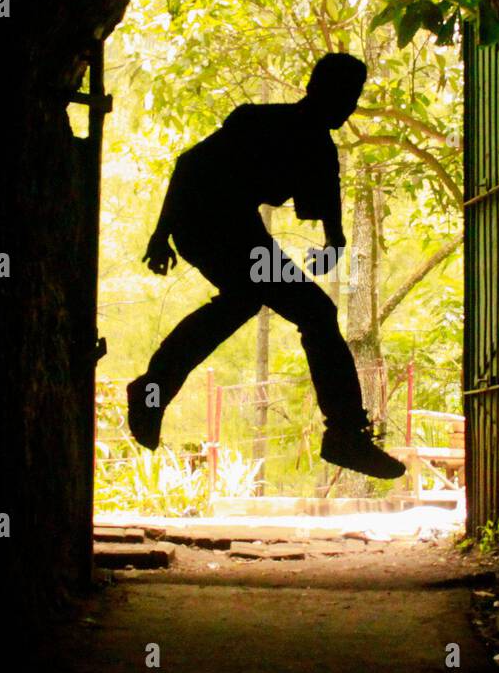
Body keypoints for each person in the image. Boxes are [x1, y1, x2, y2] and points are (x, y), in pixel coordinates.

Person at [127, 52, 405, 479]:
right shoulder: (259, 122)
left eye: (355, 97)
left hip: (240, 228)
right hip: (202, 218)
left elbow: (331, 220)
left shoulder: (319, 151)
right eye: (346, 95)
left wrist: (333, 243)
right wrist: (160, 234)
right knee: (292, 307)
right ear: (318, 89)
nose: (350, 106)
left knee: (260, 303)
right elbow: (189, 165)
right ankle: (345, 433)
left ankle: (153, 389)